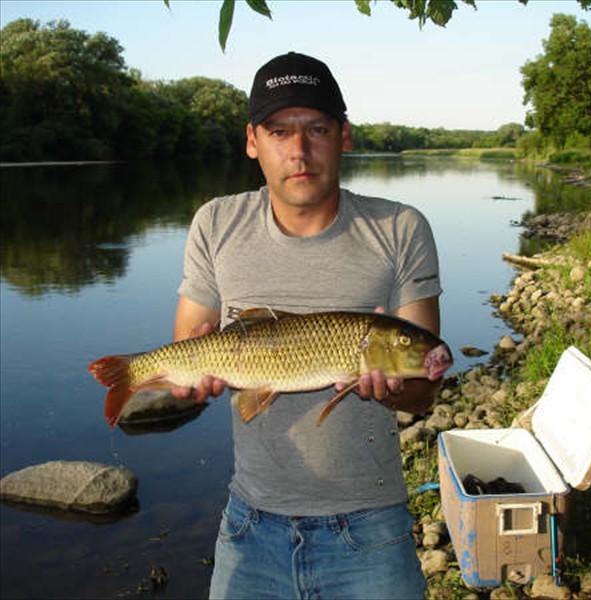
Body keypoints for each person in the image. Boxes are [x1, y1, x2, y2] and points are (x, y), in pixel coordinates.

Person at [171, 51, 443, 600]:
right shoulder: (215, 223)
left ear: (343, 135)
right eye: (279, 132)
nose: (298, 151)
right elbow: (188, 349)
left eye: (316, 129)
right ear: (253, 142)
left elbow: (425, 392)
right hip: (249, 524)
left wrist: (390, 391)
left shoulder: (399, 228)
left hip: (370, 529)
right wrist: (188, 379)